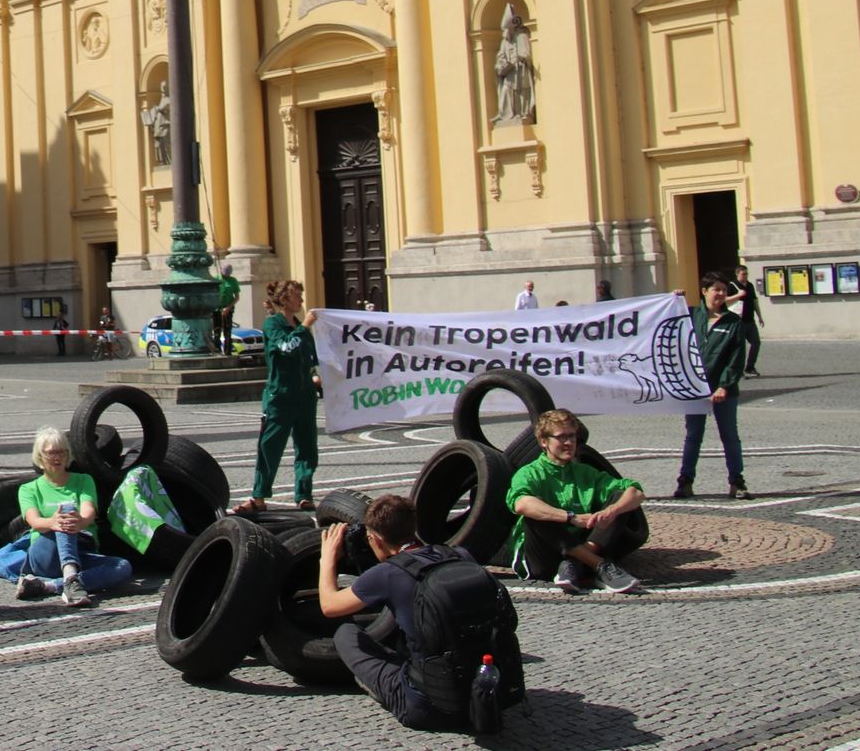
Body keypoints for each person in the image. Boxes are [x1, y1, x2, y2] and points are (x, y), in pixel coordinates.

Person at [320, 495, 522, 731]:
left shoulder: (386, 574)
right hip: (491, 690)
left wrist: (327, 560)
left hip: (429, 708)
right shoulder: (460, 555)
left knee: (346, 633)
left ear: (373, 539)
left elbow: (329, 605)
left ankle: (388, 689)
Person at [505, 408, 647, 593]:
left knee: (621, 501)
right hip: (542, 560)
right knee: (536, 513)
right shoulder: (529, 473)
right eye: (561, 437)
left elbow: (636, 493)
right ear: (543, 441)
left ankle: (575, 561)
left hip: (577, 554)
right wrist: (571, 517)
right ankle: (599, 565)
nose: (569, 442)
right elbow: (521, 504)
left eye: (572, 436)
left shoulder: (585, 472)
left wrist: (610, 512)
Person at [12, 427, 132, 606]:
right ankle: (69, 577)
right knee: (65, 512)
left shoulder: (83, 481)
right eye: (51, 452)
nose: (57, 457)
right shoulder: (29, 489)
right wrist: (53, 522)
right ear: (40, 456)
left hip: (82, 550)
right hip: (46, 554)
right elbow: (34, 521)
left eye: (62, 452)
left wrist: (81, 522)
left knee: (123, 567)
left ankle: (49, 586)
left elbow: (88, 511)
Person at [233, 279, 320, 513]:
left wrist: (315, 375)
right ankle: (259, 496)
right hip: (279, 397)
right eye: (297, 296)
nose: (301, 300)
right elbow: (285, 348)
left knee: (307, 448)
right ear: (284, 299)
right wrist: (305, 327)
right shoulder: (273, 324)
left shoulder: (299, 325)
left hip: (305, 397)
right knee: (270, 447)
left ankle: (304, 494)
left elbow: (311, 358)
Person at [675, 273, 754, 500]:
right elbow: (665, 323)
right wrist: (674, 299)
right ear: (704, 291)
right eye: (715, 289)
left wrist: (725, 386)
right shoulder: (690, 315)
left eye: (723, 289)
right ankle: (685, 481)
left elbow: (736, 359)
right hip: (695, 390)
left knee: (730, 437)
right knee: (693, 436)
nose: (720, 294)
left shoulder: (733, 323)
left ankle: (736, 482)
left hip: (723, 392)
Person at [732, 264, 763, 375]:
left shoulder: (750, 285)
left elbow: (754, 301)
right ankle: (738, 370)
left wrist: (760, 316)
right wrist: (737, 295)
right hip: (737, 321)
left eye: (747, 274)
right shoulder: (732, 285)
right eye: (743, 274)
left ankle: (750, 367)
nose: (745, 276)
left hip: (750, 320)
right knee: (740, 347)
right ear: (737, 274)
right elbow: (724, 300)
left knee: (756, 343)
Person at [215, 263, 240, 355]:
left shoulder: (233, 281)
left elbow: (237, 297)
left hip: (228, 309)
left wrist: (228, 308)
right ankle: (217, 350)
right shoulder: (216, 279)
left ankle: (228, 351)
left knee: (227, 331)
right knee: (216, 331)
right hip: (216, 309)